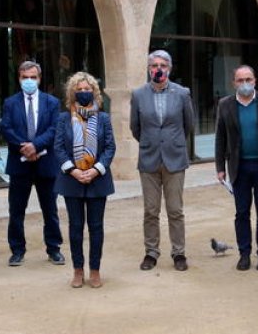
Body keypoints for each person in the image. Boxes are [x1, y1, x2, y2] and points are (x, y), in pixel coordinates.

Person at [214, 65, 258, 272]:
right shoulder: (225, 105)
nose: (244, 83)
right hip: (239, 167)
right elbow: (221, 137)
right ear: (234, 83)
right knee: (241, 213)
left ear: (255, 81)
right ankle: (244, 254)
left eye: (248, 79)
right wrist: (220, 167)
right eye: (240, 80)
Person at [129, 50, 195, 271]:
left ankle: (179, 253)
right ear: (149, 69)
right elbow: (135, 127)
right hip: (149, 159)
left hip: (175, 159)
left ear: (170, 68)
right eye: (154, 65)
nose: (158, 69)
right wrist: (152, 142)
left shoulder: (182, 93)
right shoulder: (138, 95)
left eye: (163, 65)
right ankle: (151, 252)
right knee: (150, 210)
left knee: (175, 210)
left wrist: (171, 143)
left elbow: (189, 125)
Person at [0, 60, 65, 267]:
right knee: (16, 211)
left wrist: (35, 146)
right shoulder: (10, 102)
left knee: (50, 210)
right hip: (20, 164)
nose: (29, 81)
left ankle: (54, 249)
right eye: (25, 77)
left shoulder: (51, 102)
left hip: (45, 163)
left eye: (33, 77)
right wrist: (24, 147)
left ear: (39, 78)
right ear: (19, 78)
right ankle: (17, 250)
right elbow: (6, 129)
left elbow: (55, 129)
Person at [55, 72, 116, 288]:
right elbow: (59, 148)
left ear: (94, 92)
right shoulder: (63, 119)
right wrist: (73, 170)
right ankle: (78, 270)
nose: (83, 93)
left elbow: (110, 147)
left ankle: (95, 270)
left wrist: (95, 170)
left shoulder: (104, 118)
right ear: (72, 93)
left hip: (97, 180)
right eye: (79, 90)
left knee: (96, 227)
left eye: (87, 89)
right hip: (72, 180)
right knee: (75, 227)